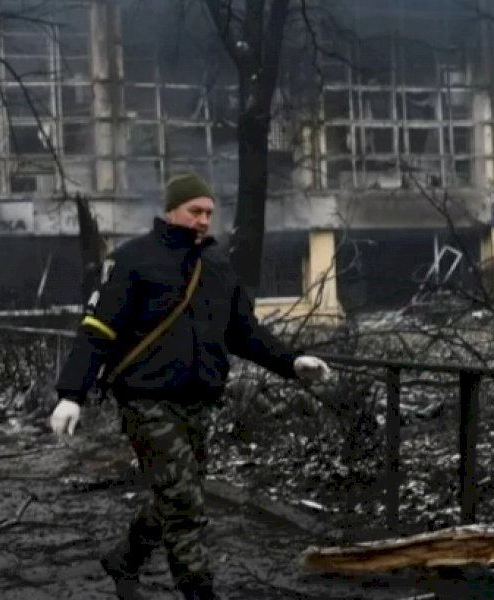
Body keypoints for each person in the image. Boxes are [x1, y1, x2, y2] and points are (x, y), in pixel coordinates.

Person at [50, 172, 331, 600]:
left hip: (198, 401)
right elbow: (97, 330)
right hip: (146, 400)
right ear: (170, 210)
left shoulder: (217, 266)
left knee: (175, 494)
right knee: (183, 502)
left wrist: (290, 362)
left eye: (208, 213)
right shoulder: (132, 259)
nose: (202, 220)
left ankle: (124, 560)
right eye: (194, 211)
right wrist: (71, 395)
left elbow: (243, 332)